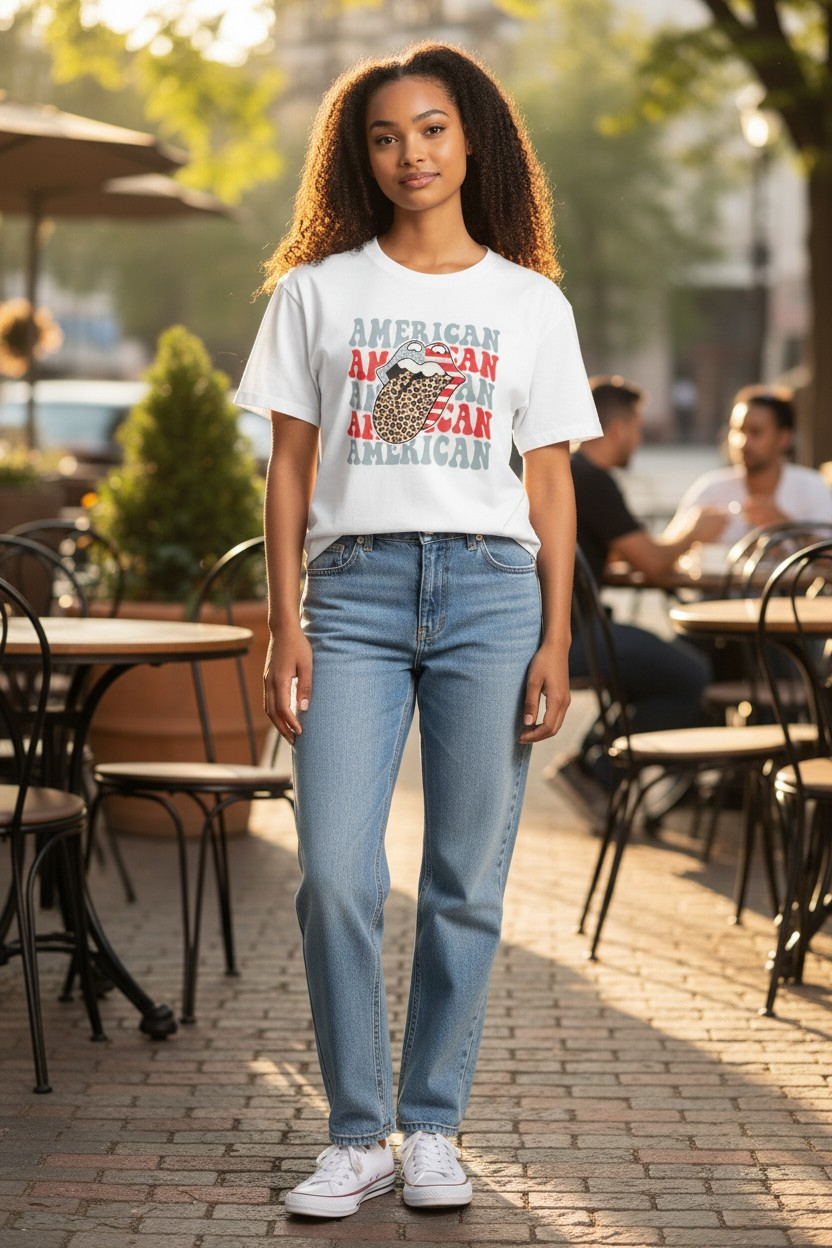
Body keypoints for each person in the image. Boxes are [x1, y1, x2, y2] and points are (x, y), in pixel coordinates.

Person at [235, 42, 601, 1219]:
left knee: (462, 882)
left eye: (433, 130)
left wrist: (555, 640)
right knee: (335, 871)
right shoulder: (318, 291)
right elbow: (291, 473)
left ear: (472, 139)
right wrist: (284, 621)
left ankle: (431, 1126)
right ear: (361, 156)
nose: (411, 155)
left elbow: (549, 487)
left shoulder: (528, 302)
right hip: (350, 596)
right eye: (387, 137)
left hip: (496, 594)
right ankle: (356, 1135)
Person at [545, 376, 722, 816]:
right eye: (639, 429)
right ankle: (598, 772)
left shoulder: (571, 472)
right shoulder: (593, 479)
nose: (639, 441)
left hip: (558, 628)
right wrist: (693, 533)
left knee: (658, 665)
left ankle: (591, 765)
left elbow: (602, 554)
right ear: (620, 428)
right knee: (694, 677)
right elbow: (654, 562)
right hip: (571, 637)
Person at [667, 385, 832, 548]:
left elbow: (828, 558)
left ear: (783, 438)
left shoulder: (812, 487)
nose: (743, 442)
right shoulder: (711, 488)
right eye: (738, 430)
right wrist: (691, 534)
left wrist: (787, 529)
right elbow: (663, 554)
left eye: (756, 432)